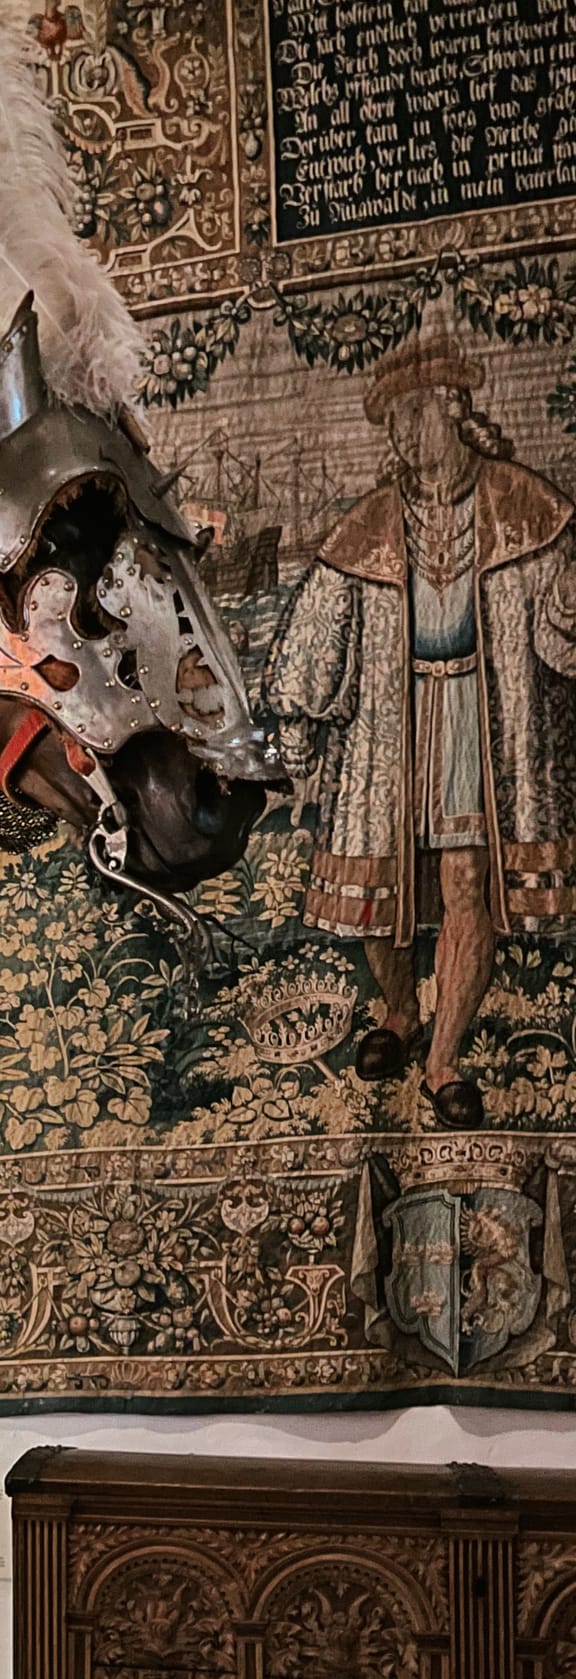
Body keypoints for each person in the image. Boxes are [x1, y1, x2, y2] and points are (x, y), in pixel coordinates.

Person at [265, 336, 576, 1128]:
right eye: (391, 422)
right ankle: (397, 1015)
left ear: (452, 411)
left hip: (481, 715)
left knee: (467, 881)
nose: (401, 436)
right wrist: (297, 723)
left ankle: (443, 1060)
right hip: (388, 725)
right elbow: (317, 632)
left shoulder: (523, 504)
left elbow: (559, 620)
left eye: (410, 416)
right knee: (380, 886)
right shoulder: (369, 524)